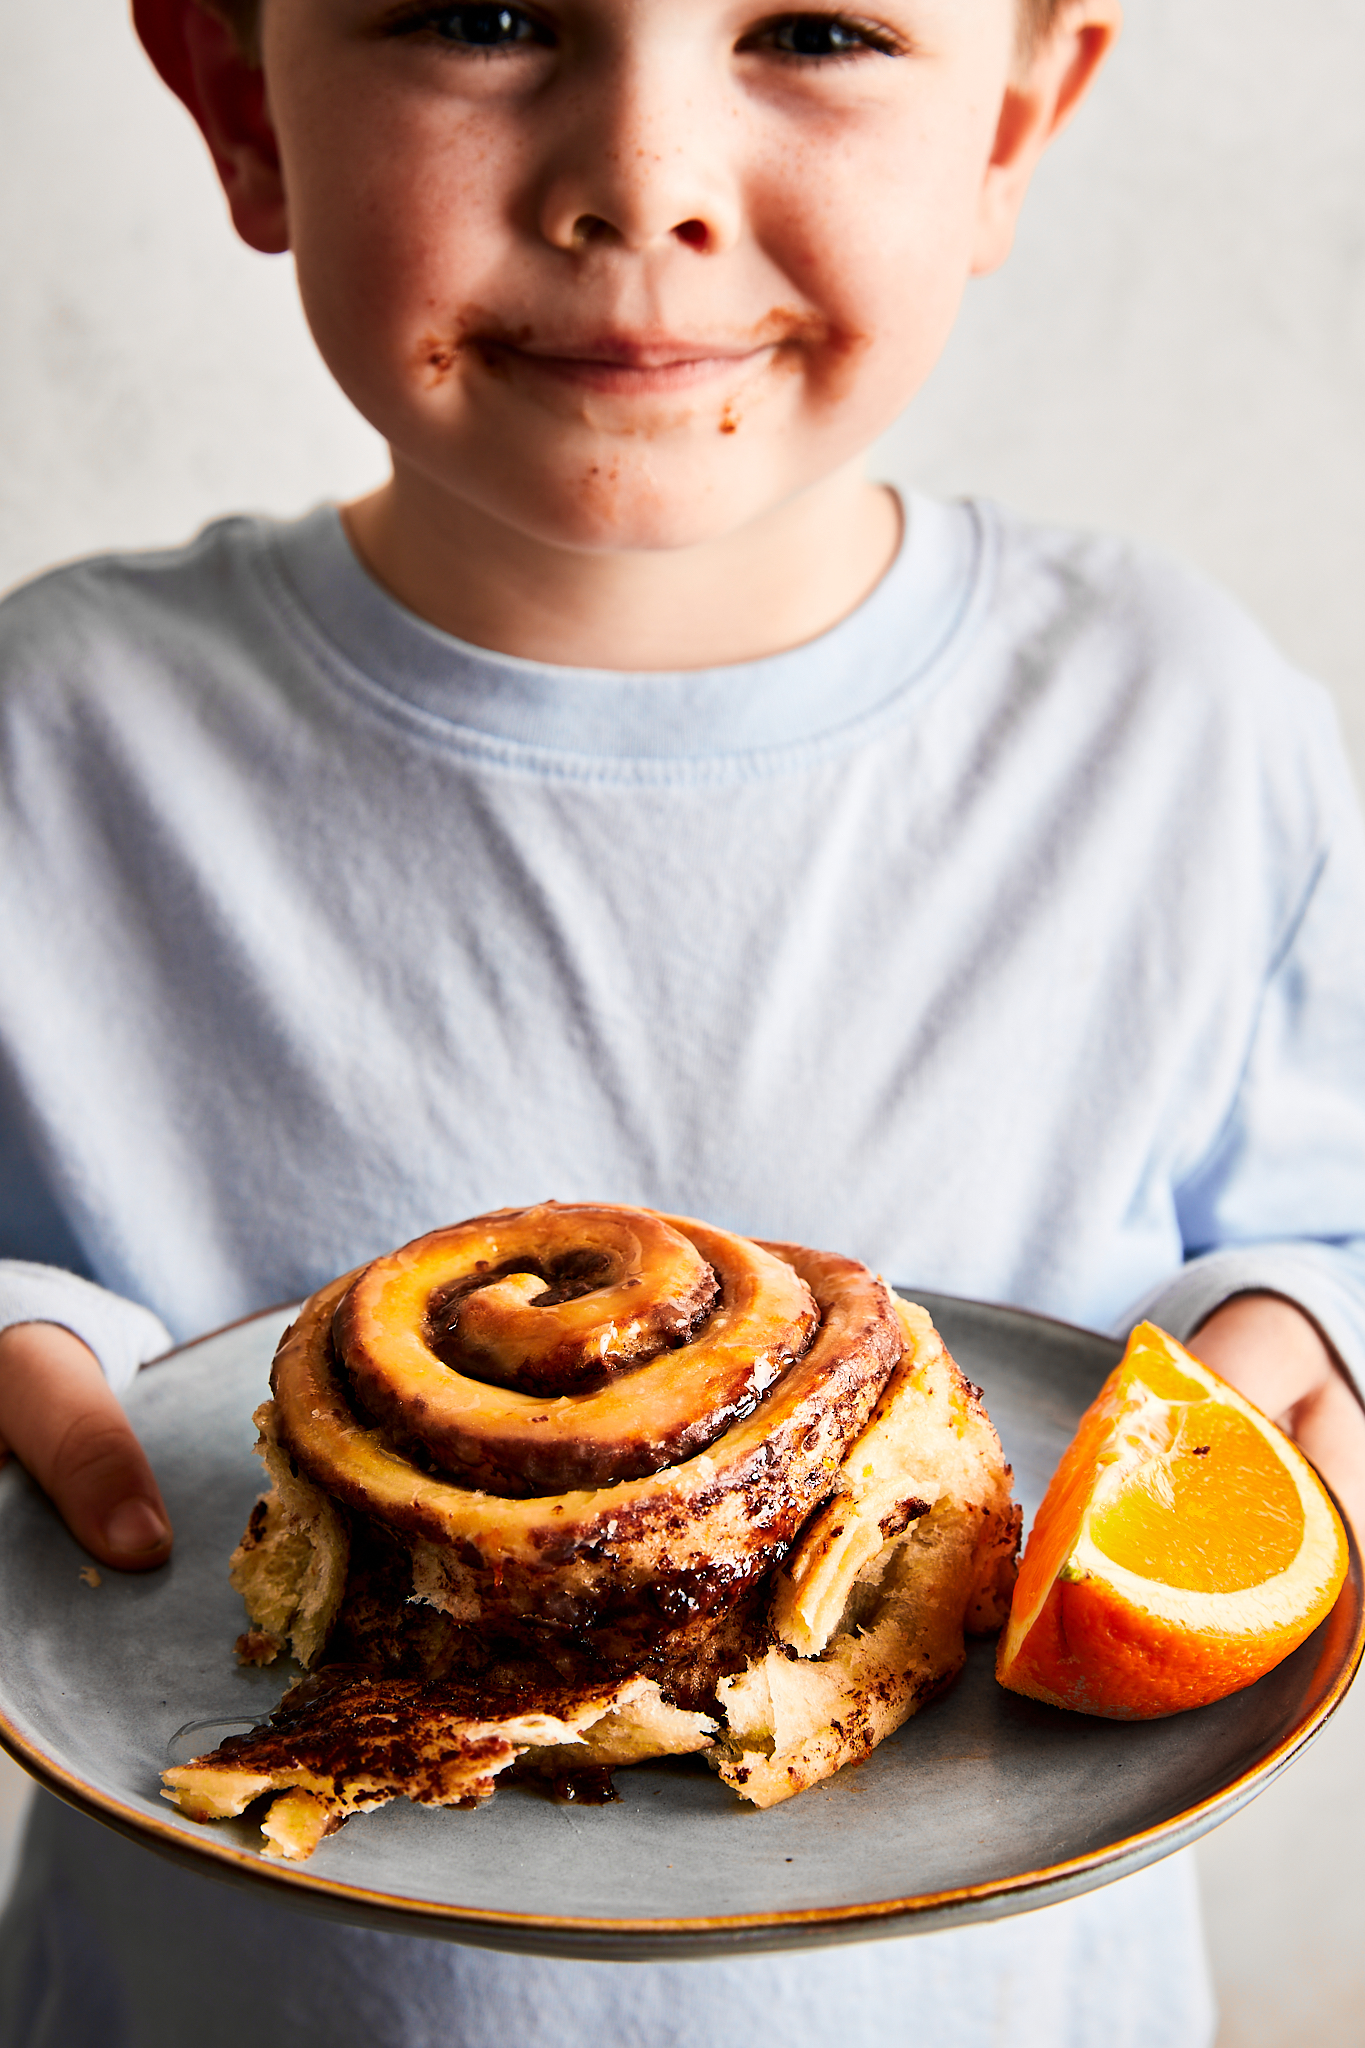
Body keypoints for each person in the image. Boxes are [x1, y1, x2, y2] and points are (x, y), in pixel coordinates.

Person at [1, 0, 1362, 2040]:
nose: (639, 179)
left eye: (809, 27)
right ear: (234, 100)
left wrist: (1276, 1350)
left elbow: (1322, 1225)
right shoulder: (54, 744)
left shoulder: (1174, 730)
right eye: (478, 15)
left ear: (1011, 114)